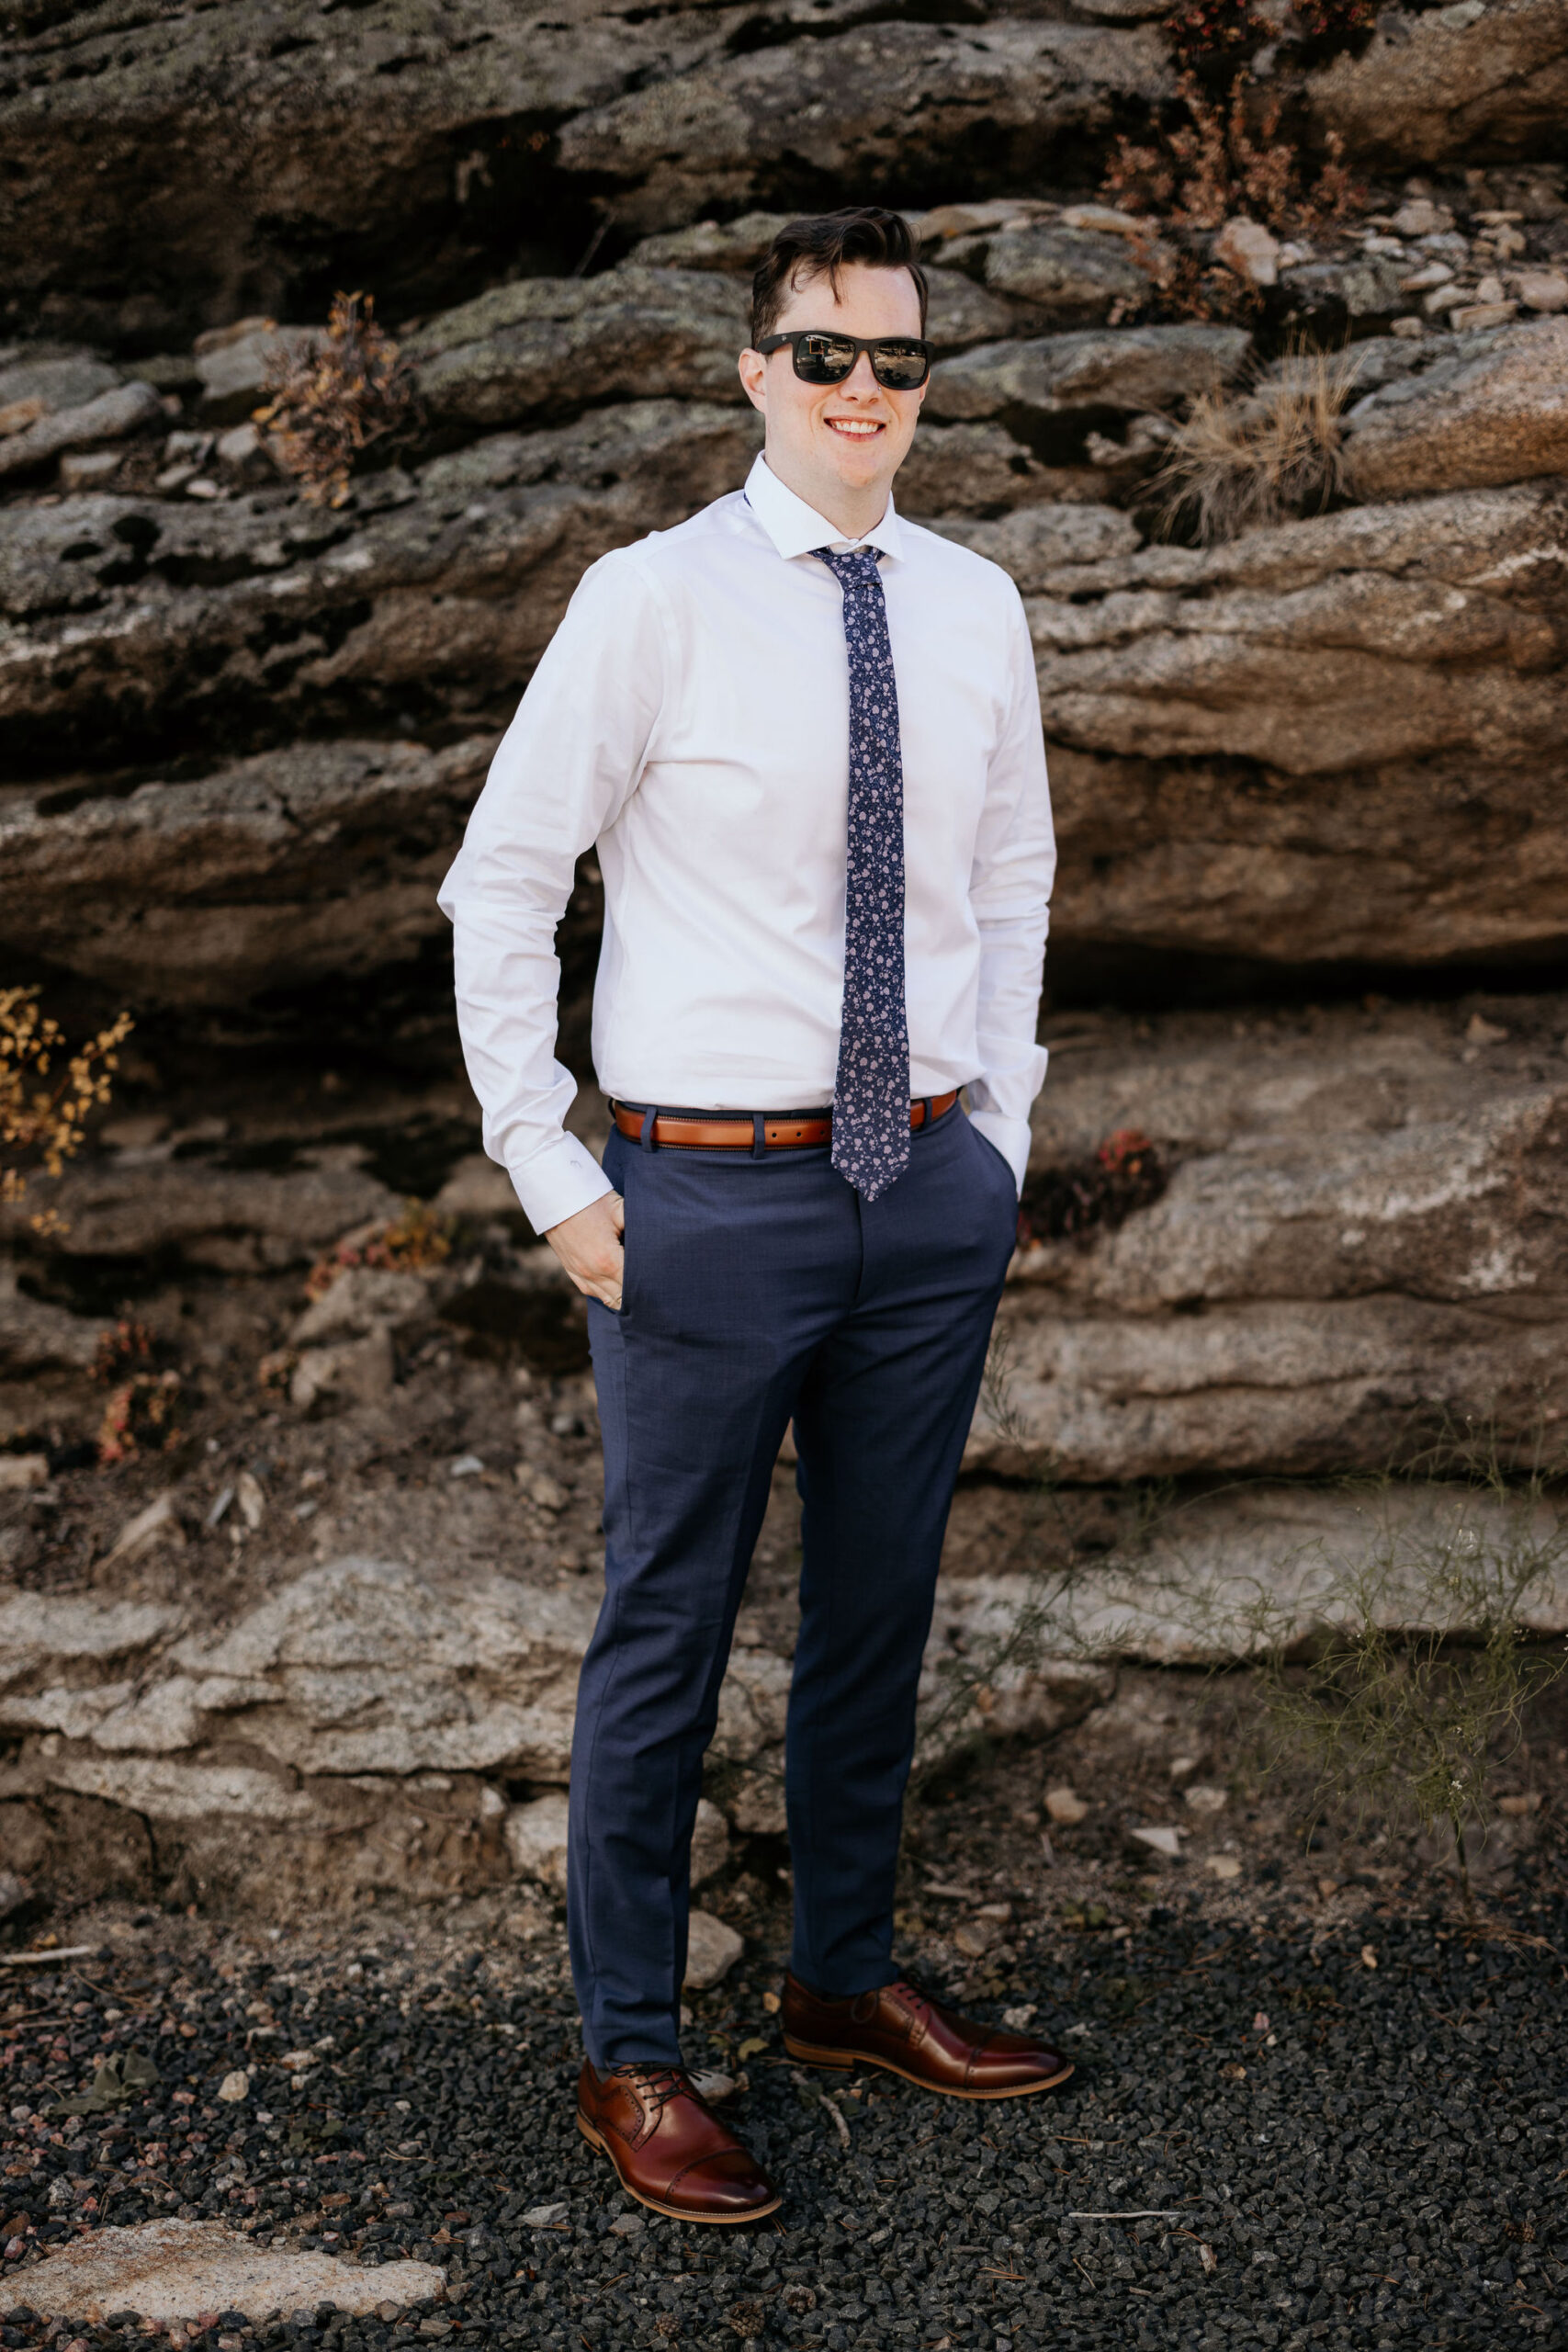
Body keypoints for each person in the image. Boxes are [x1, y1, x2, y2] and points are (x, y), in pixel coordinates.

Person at [439, 205, 1068, 2226]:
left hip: (927, 1186)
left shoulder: (974, 604)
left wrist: (1001, 1132)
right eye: (824, 354)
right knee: (668, 1628)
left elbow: (1016, 875)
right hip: (700, 1200)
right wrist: (552, 1171)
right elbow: (500, 882)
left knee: (877, 1607)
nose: (863, 387)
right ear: (754, 372)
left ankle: (838, 1980)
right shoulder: (651, 599)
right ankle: (632, 2052)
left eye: (897, 358)